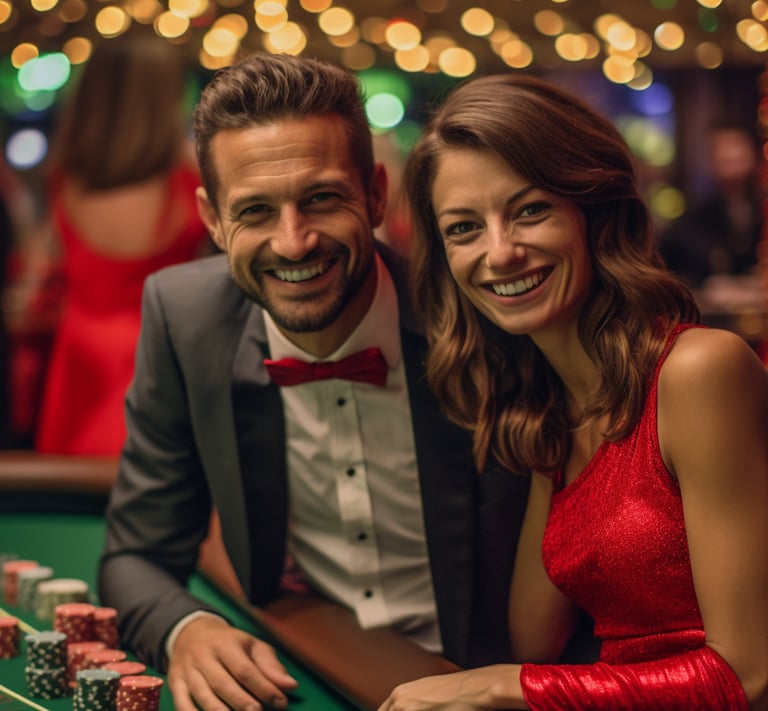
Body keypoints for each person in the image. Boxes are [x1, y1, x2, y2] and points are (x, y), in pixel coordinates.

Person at [98, 52, 532, 711]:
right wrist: (188, 628)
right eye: (255, 212)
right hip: (309, 661)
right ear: (213, 219)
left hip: (477, 681)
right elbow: (135, 554)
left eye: (321, 198)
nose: (293, 241)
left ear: (377, 193)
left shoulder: (481, 311)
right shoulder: (184, 319)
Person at [378, 74, 768, 710]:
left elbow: (750, 676)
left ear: (594, 210)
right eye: (463, 228)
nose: (499, 252)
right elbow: (535, 638)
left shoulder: (698, 371)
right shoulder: (549, 409)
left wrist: (503, 685)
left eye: (530, 210)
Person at [33, 26, 213, 455]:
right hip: (158, 350)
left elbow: (42, 266)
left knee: (70, 500)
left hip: (78, 354)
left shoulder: (65, 180)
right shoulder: (192, 174)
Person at [658, 122, 763, 288]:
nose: (730, 158)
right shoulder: (691, 223)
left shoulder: (761, 211)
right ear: (709, 160)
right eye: (722, 153)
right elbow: (671, 272)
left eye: (737, 151)